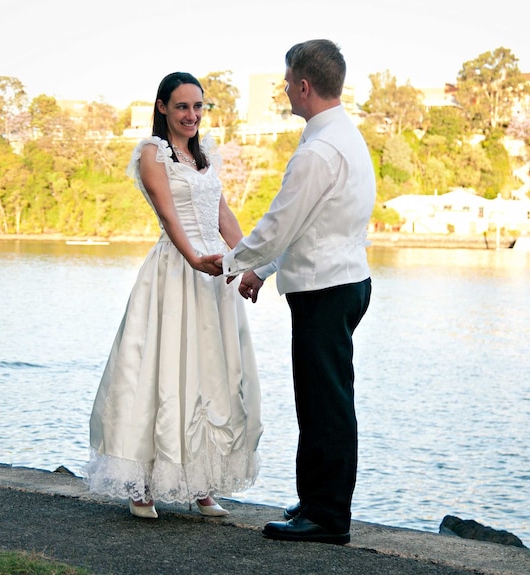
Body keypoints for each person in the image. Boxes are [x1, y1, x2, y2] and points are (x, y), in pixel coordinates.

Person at [210, 39, 375, 544]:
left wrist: (233, 263)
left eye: (286, 81)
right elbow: (309, 224)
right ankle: (318, 500)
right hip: (344, 280)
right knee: (325, 399)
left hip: (326, 290)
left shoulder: (318, 151)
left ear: (304, 86)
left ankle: (325, 517)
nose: (283, 88)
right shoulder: (345, 136)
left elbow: (281, 223)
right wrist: (264, 271)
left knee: (324, 405)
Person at [82, 72, 263, 520]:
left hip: (215, 276)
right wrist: (194, 259)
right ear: (162, 107)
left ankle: (200, 483)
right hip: (177, 272)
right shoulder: (151, 153)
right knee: (162, 372)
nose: (192, 115)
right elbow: (169, 217)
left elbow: (224, 215)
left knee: (210, 375)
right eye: (182, 106)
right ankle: (142, 485)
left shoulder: (204, 157)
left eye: (198, 107)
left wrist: (247, 264)